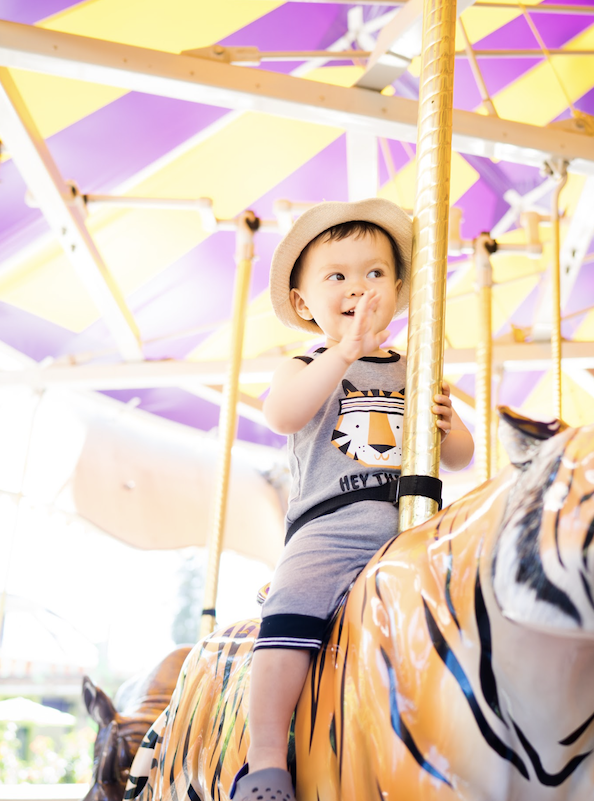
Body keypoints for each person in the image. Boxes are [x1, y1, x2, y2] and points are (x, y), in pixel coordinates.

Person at [231, 199, 474, 800]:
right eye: (336, 276)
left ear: (397, 289)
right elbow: (283, 415)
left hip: (415, 529)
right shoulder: (303, 364)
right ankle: (265, 760)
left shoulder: (417, 367)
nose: (357, 287)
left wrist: (448, 423)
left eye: (373, 273)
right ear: (302, 302)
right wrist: (342, 354)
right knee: (290, 616)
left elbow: (462, 457)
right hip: (332, 528)